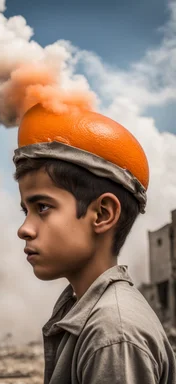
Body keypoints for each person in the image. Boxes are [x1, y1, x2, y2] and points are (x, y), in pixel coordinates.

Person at [13, 103, 176, 384]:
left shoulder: (113, 335)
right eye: (24, 211)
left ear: (102, 214)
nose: (24, 229)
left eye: (42, 207)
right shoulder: (86, 312)